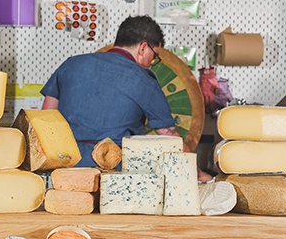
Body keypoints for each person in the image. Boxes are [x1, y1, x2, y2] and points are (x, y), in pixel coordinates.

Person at [41, 15, 208, 180]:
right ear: (143, 48)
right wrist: (198, 173)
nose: (152, 62)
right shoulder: (145, 81)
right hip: (111, 177)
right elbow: (170, 137)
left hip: (63, 170)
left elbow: (46, 118)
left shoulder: (71, 64)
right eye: (155, 56)